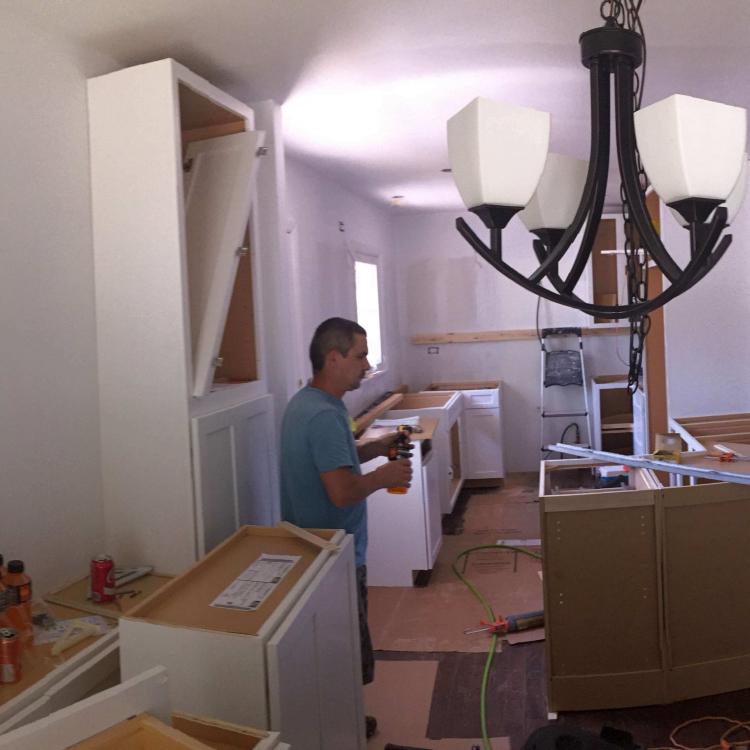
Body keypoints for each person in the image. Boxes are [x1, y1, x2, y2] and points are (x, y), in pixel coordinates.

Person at [280, 317, 412, 739]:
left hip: (315, 545)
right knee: (346, 650)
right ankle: (347, 726)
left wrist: (375, 449)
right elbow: (340, 491)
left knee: (336, 646)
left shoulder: (311, 403)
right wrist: (386, 476)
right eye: (360, 355)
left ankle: (341, 718)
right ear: (333, 358)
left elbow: (337, 456)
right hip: (333, 552)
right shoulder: (322, 415)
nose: (367, 364)